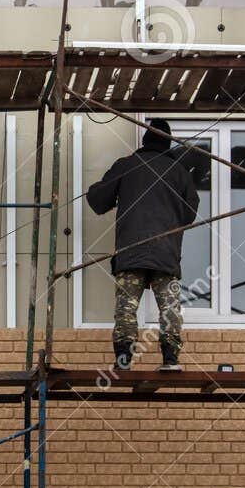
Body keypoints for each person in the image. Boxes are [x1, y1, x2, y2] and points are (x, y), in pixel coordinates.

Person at [86, 119, 200, 372]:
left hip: (130, 252)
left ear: (145, 141)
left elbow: (97, 200)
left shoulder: (126, 166)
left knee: (126, 308)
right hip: (166, 254)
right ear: (168, 143)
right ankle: (170, 360)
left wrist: (107, 191)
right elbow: (190, 213)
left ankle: (123, 360)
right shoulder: (179, 172)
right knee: (169, 308)